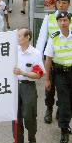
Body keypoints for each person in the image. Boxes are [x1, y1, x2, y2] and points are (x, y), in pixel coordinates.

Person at [36, 0, 72, 124]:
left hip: (66, 61)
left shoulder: (71, 18)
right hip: (51, 61)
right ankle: (49, 109)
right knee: (49, 89)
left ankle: (60, 109)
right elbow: (42, 39)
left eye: (64, 2)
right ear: (56, 4)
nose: (62, 5)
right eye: (59, 2)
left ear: (69, 4)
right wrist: (37, 60)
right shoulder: (49, 18)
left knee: (65, 91)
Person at [12, 28, 45, 143]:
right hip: (15, 86)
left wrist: (23, 73)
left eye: (20, 36)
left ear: (28, 38)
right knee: (15, 115)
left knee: (29, 114)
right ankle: (18, 139)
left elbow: (38, 74)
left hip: (28, 86)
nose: (18, 38)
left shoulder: (35, 53)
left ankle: (32, 138)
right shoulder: (14, 50)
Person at [44, 11, 72, 143]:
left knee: (69, 102)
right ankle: (64, 130)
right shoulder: (53, 37)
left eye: (65, 20)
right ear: (57, 23)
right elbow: (48, 60)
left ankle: (65, 121)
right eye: (60, 21)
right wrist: (47, 79)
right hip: (60, 74)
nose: (63, 23)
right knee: (65, 101)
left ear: (69, 22)